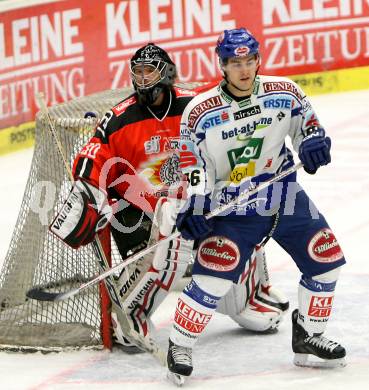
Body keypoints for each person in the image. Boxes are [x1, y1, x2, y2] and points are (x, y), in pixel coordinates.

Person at [48, 43, 289, 353]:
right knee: (167, 235)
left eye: (151, 71)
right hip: (139, 217)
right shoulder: (119, 117)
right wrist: (86, 187)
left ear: (167, 73)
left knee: (243, 218)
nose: (144, 78)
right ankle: (130, 316)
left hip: (194, 207)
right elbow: (93, 152)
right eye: (139, 72)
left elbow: (236, 124)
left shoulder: (195, 106)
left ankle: (250, 295)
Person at [166, 28, 346, 385]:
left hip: (282, 195)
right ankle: (179, 345)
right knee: (212, 280)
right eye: (235, 63)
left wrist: (313, 143)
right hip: (231, 206)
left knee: (325, 260)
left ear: (258, 60)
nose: (244, 69)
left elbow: (308, 126)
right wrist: (196, 203)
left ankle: (308, 337)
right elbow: (192, 163)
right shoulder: (200, 112)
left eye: (250, 61)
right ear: (222, 65)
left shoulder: (285, 92)